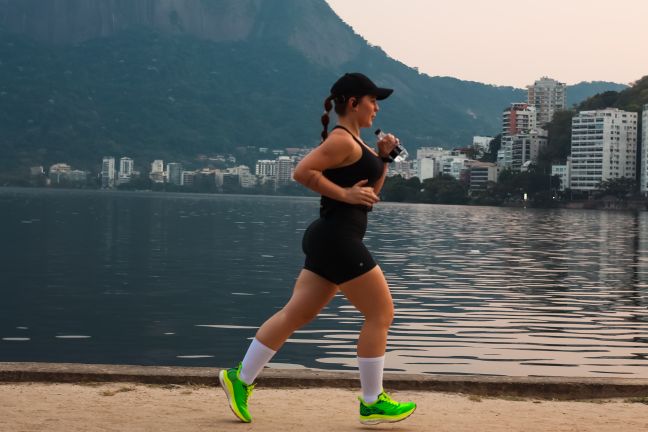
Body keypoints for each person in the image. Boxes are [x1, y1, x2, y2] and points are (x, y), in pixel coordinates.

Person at [219, 72, 417, 425]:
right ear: (353, 103)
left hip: (330, 237)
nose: (376, 108)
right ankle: (371, 401)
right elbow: (302, 171)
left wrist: (383, 160)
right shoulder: (342, 140)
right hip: (339, 239)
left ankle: (240, 378)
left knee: (296, 314)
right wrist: (344, 194)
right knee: (381, 314)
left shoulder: (357, 143)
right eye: (372, 101)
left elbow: (369, 194)